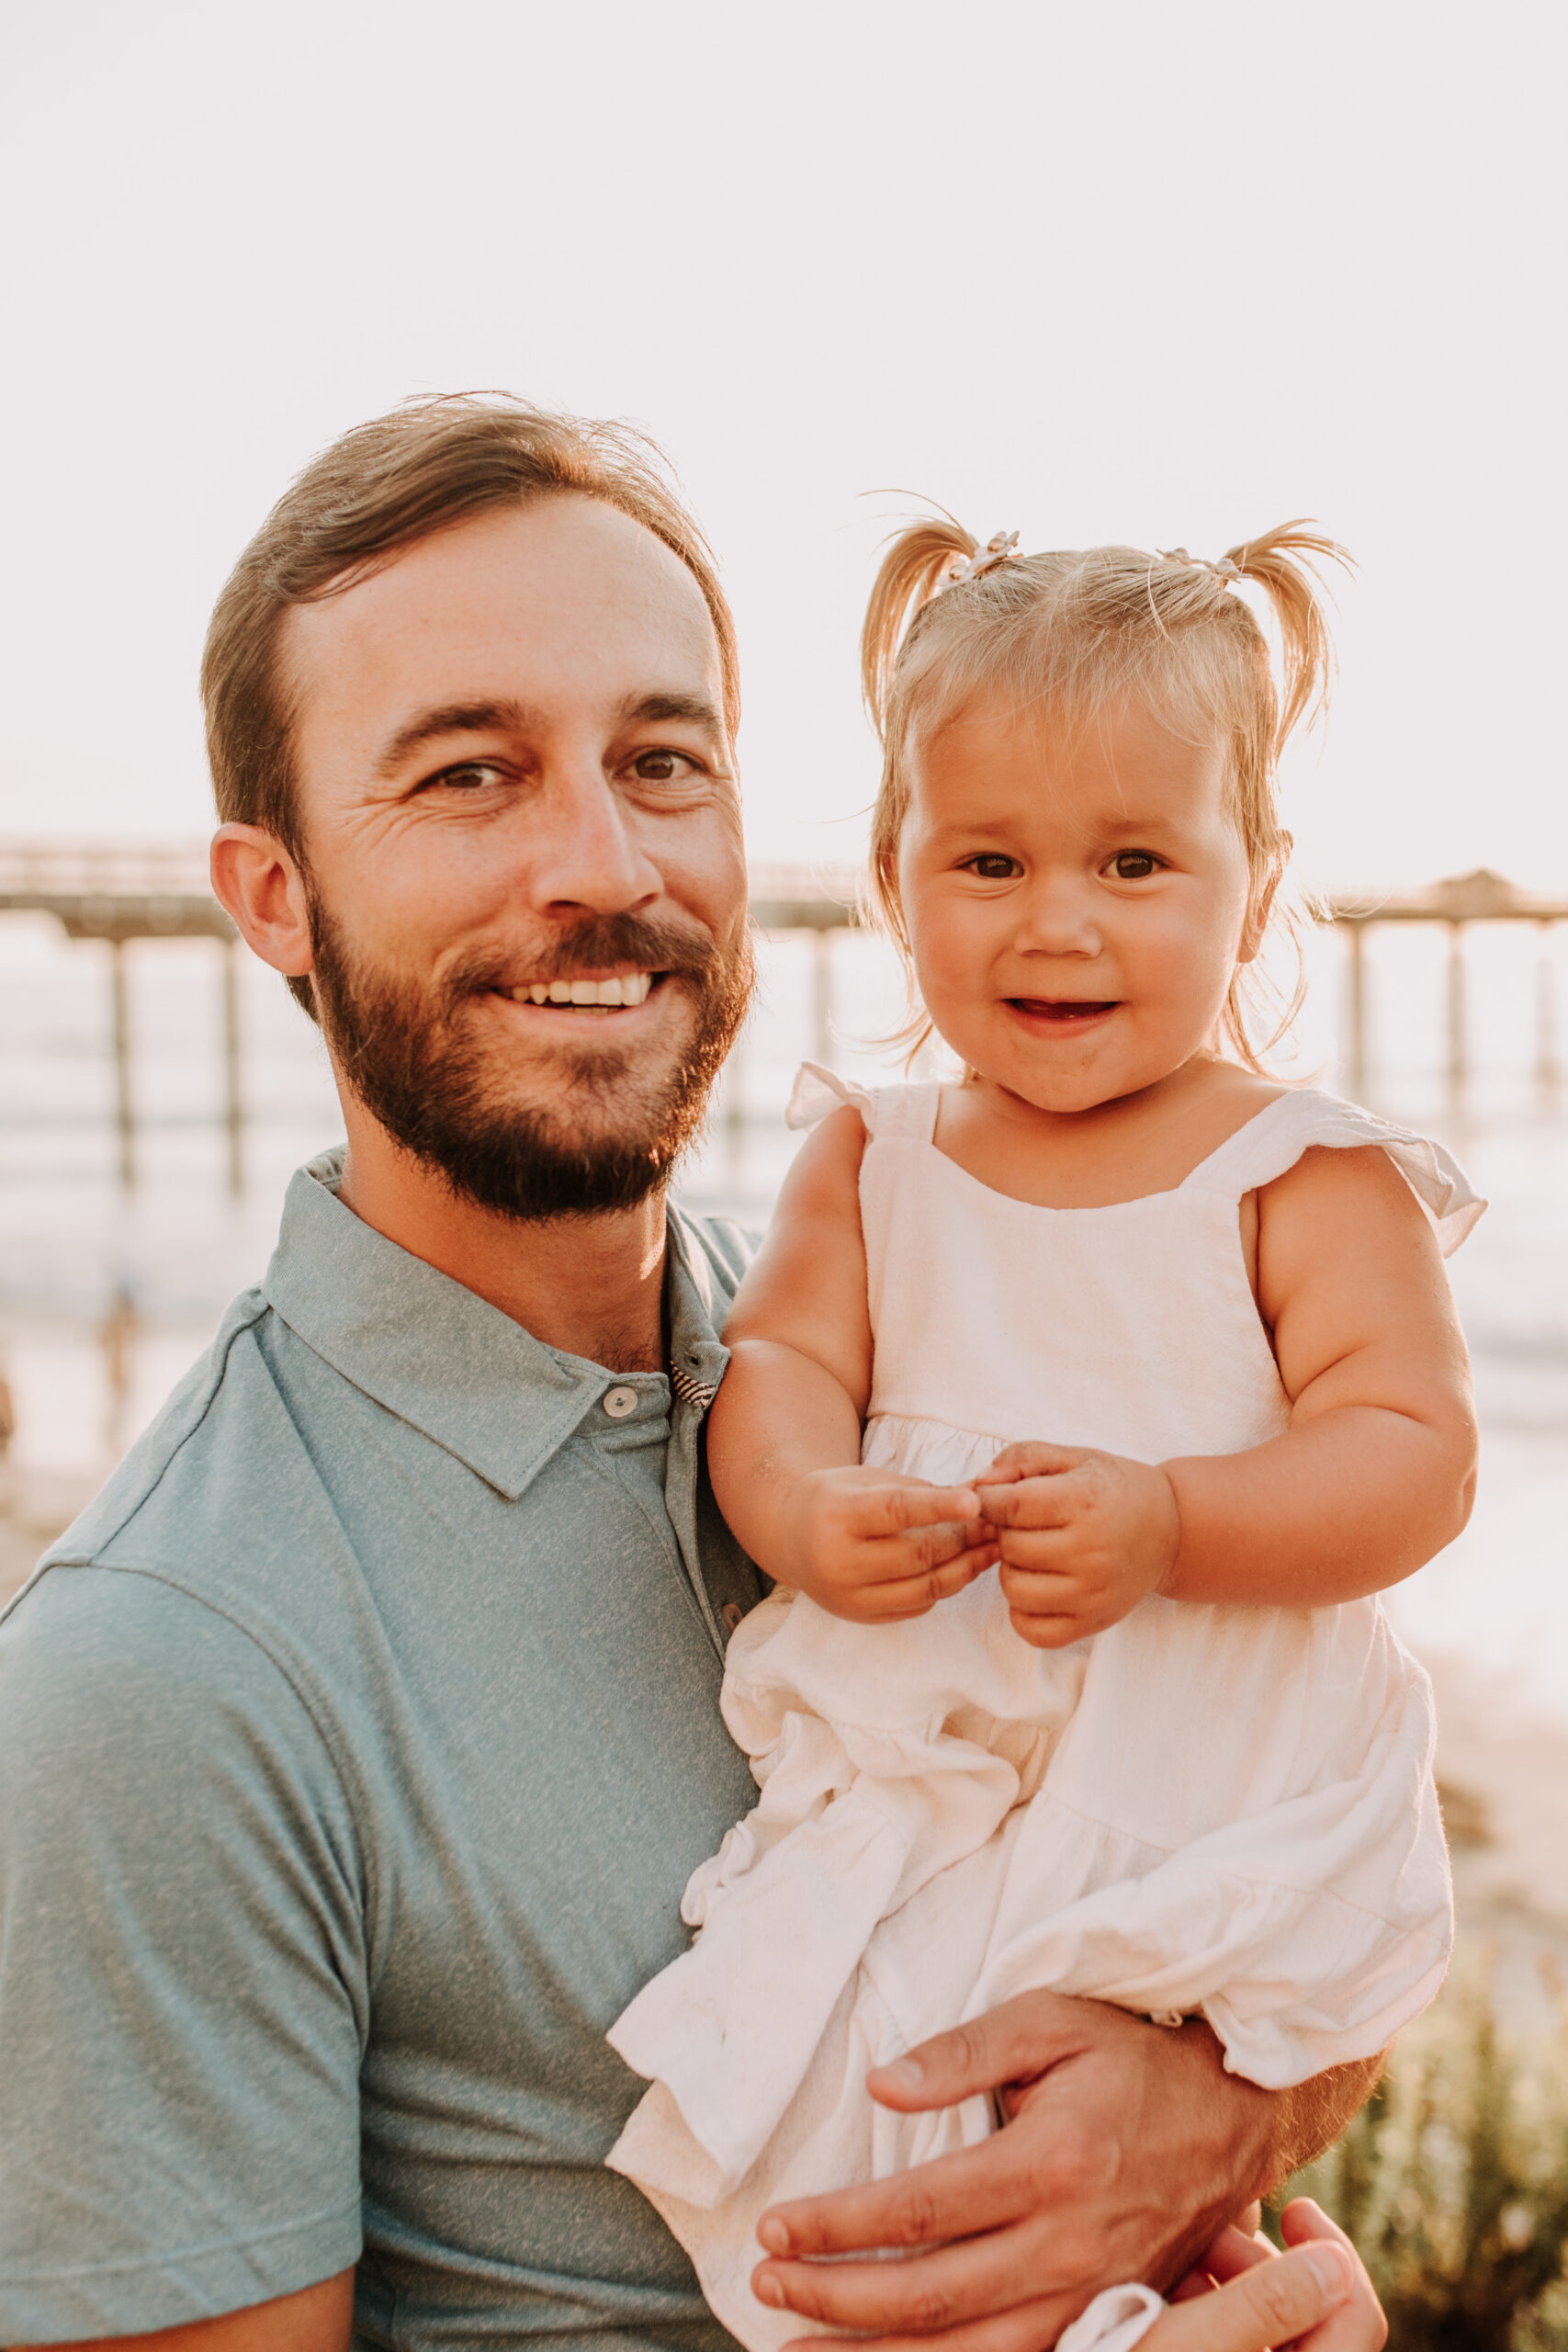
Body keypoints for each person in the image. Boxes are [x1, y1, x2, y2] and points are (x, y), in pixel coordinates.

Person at [0, 401, 1383, 2352]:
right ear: (272, 894)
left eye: (665, 760)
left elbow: (1274, 1820)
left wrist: (1217, 2114)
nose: (602, 860)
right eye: (470, 772)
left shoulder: (911, 1343)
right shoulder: (154, 1679)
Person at [607, 517, 1479, 2346]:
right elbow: (775, 1366)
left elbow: (1408, 1451)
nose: (1054, 917)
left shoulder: (1293, 1170)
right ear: (887, 871)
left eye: (1136, 858)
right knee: (889, 2094)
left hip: (1194, 1762)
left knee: (1108, 2096)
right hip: (940, 1748)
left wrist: (1175, 1517)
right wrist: (793, 1504)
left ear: (1253, 884)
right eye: (986, 856)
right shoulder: (875, 1155)